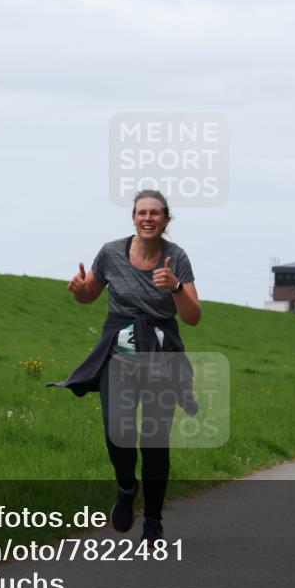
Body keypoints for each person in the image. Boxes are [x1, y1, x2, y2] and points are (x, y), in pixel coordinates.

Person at [54, 189, 200, 542]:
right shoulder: (111, 253)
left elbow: (193, 317)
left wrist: (176, 287)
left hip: (161, 358)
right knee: (117, 431)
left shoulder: (176, 257)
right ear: (133, 218)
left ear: (166, 219)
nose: (148, 218)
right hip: (117, 356)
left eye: (155, 213)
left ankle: (152, 519)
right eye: (141, 213)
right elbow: (90, 294)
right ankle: (126, 486)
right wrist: (78, 290)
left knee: (154, 440)